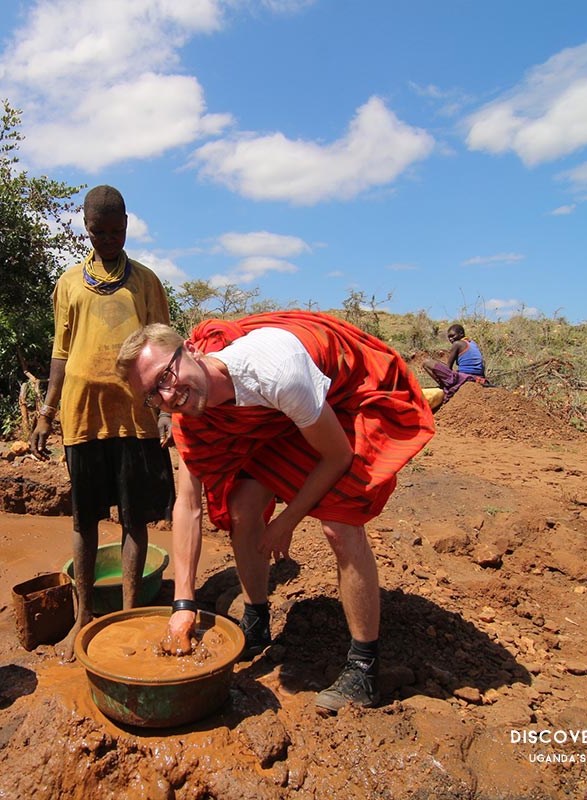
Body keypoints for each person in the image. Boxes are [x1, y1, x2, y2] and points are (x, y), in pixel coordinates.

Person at [116, 312, 435, 715]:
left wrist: (287, 521)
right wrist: (184, 605)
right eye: (152, 394)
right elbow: (188, 505)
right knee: (242, 507)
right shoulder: (194, 417)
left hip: (339, 400)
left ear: (192, 350)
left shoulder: (276, 370)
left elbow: (337, 456)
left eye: (166, 375)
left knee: (339, 525)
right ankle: (256, 618)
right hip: (280, 416)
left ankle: (364, 668)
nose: (168, 394)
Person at [29, 185, 175, 661]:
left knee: (134, 519)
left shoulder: (147, 282)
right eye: (99, 231)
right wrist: (46, 414)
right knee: (83, 519)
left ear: (128, 226)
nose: (108, 239)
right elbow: (60, 350)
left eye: (116, 231)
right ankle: (84, 617)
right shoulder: (69, 283)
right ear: (86, 228)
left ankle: (131, 614)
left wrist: (168, 412)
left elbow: (165, 348)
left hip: (135, 418)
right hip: (81, 416)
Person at [420, 323, 487, 404]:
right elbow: (482, 363)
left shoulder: (457, 344)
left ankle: (444, 387)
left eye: (453, 336)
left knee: (426, 363)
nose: (451, 339)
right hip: (478, 377)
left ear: (461, 333)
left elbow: (449, 367)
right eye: (449, 337)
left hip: (464, 378)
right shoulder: (473, 343)